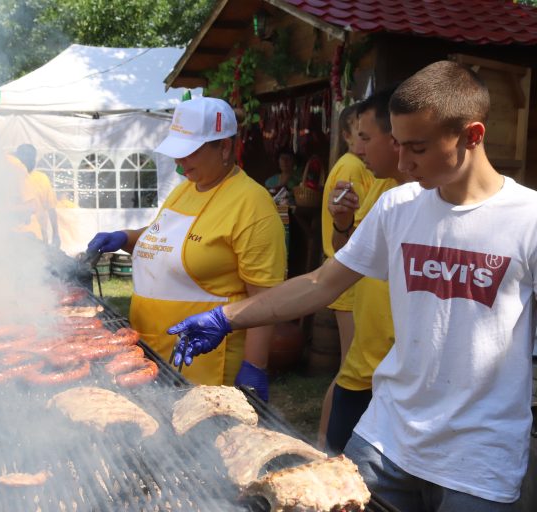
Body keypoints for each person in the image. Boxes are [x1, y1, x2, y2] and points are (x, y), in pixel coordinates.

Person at [167, 61, 536, 510]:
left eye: (417, 148)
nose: (402, 162)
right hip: (386, 440)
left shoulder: (527, 220)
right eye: (397, 144)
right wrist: (226, 318)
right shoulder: (397, 206)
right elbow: (322, 283)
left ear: (472, 136)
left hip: (479, 461)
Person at [86, 97, 287, 399]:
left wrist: (254, 365)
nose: (180, 163)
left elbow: (266, 299)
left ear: (225, 147)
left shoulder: (252, 204)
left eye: (190, 152)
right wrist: (125, 238)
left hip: (205, 364)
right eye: (177, 152)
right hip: (151, 352)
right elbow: (164, 242)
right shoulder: (184, 190)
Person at [324, 87, 409, 454]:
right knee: (333, 461)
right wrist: (342, 222)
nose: (358, 150)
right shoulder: (382, 188)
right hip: (362, 365)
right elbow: (349, 253)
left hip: (394, 372)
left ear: (396, 138)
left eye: (365, 138)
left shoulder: (418, 197)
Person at [316, 101, 374, 448]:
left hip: (351, 274)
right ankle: (324, 441)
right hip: (349, 278)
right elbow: (356, 231)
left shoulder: (354, 166)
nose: (364, 145)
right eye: (360, 135)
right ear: (348, 135)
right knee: (350, 370)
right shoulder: (352, 167)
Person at [13, 144, 61, 249]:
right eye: (24, 156)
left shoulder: (42, 178)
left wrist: (56, 234)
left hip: (38, 238)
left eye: (30, 157)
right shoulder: (10, 177)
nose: (27, 160)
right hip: (15, 237)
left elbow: (51, 209)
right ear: (18, 158)